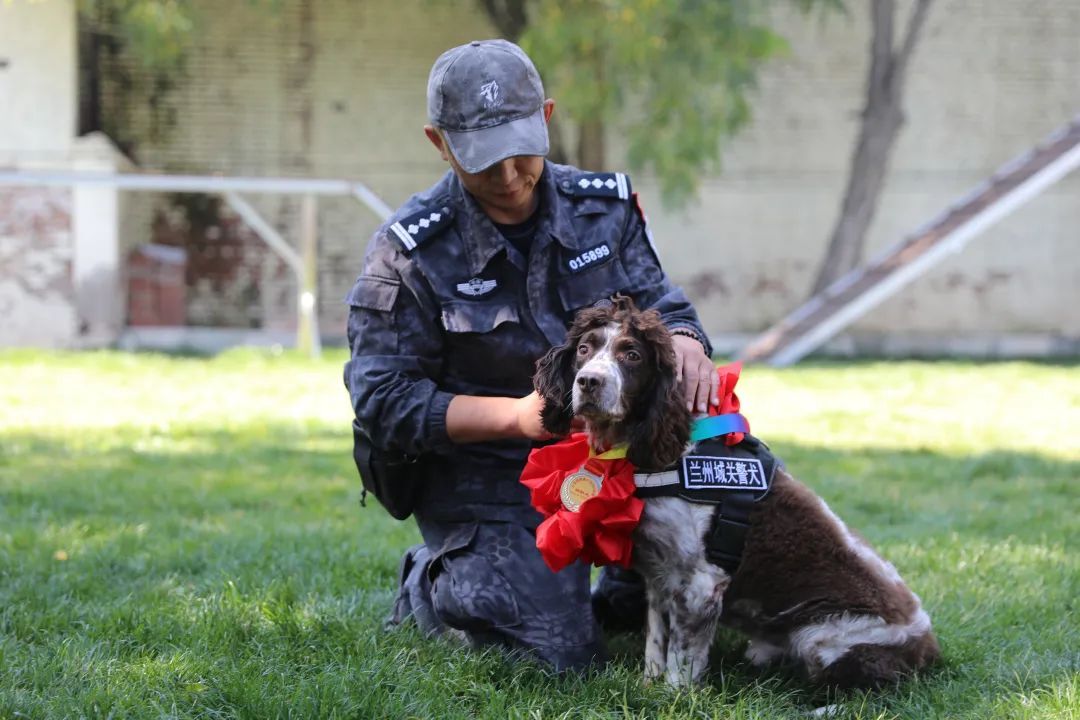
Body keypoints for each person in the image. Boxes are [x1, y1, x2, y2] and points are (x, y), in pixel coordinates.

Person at [344, 39, 718, 671]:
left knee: (725, 524)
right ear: (439, 143)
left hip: (611, 451)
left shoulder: (603, 207)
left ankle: (620, 584)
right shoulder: (407, 250)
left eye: (521, 152)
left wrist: (686, 343)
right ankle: (434, 582)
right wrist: (516, 419)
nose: (510, 176)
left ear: (545, 118)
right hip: (489, 468)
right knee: (557, 654)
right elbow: (382, 400)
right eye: (484, 160)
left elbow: (664, 309)